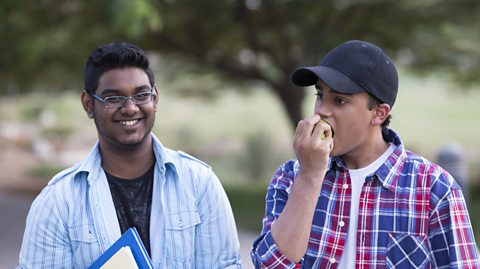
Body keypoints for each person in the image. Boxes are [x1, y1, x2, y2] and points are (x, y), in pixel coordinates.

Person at [251, 40, 480, 268]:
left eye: (339, 100)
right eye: (320, 95)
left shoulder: (433, 188)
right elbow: (269, 265)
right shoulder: (292, 176)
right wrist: (310, 176)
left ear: (379, 113)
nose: (321, 111)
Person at [17, 41, 242, 268]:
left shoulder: (199, 184)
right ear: (88, 104)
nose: (130, 108)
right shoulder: (58, 202)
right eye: (113, 98)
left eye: (141, 95)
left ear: (154, 98)